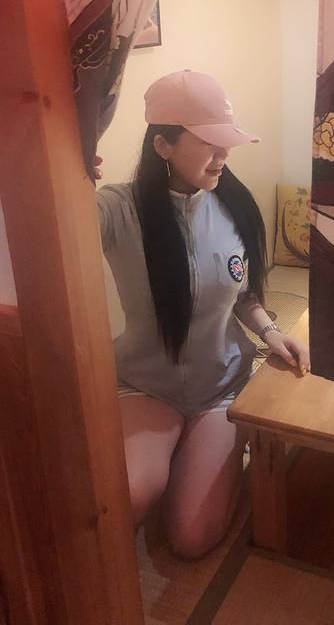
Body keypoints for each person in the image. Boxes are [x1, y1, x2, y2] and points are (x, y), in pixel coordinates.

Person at [96, 70, 310, 558]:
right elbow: (54, 228)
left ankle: (198, 456)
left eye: (226, 142)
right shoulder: (118, 208)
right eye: (208, 142)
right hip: (145, 386)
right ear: (163, 145)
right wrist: (70, 173)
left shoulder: (233, 205)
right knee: (128, 497)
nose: (223, 155)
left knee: (192, 538)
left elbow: (243, 296)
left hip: (220, 387)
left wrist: (271, 333)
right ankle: (169, 458)